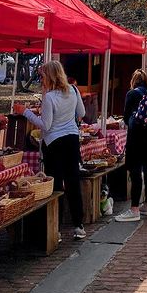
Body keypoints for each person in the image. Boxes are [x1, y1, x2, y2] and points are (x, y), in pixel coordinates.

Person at [16, 61, 86, 240]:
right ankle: (79, 225)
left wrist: (25, 112)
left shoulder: (49, 97)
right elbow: (82, 113)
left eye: (42, 76)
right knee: (73, 181)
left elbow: (45, 125)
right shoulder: (73, 90)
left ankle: (57, 227)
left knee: (55, 184)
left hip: (54, 142)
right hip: (72, 139)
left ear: (50, 76)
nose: (41, 80)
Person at [115, 69, 147, 221]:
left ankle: (134, 209)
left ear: (133, 81)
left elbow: (126, 117)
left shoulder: (132, 94)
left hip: (136, 137)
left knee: (135, 171)